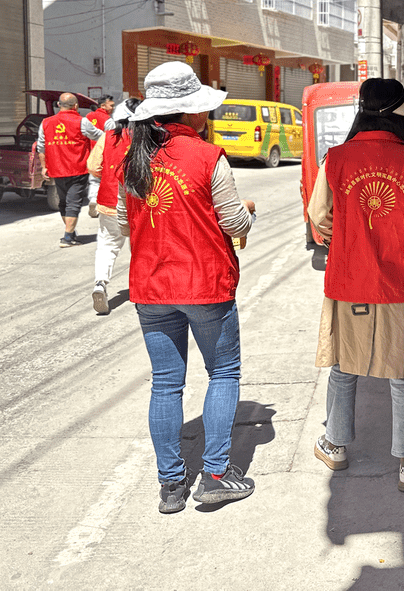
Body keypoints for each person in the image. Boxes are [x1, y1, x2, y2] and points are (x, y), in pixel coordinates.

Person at [118, 61, 256, 514]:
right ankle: (216, 473)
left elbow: (124, 224)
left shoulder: (132, 159)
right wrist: (250, 216)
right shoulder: (208, 156)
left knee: (166, 384)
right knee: (223, 373)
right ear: (193, 113)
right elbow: (234, 222)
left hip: (151, 288)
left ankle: (171, 485)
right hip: (205, 286)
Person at [307, 78, 404, 494]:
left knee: (345, 366)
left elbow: (318, 214)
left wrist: (344, 235)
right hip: (402, 281)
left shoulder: (337, 158)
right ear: (395, 118)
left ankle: (336, 445)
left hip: (349, 280)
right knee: (401, 372)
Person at [86, 98, 138, 314]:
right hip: (140, 204)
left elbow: (93, 166)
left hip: (109, 201)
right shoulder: (147, 138)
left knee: (107, 245)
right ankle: (140, 288)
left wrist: (109, 174)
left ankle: (100, 283)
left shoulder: (108, 137)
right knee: (139, 246)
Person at [38, 93, 103, 247]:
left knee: (63, 203)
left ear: (59, 105)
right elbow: (101, 136)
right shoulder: (82, 122)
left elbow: (41, 147)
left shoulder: (46, 123)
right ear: (76, 106)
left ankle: (70, 233)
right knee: (73, 203)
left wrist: (43, 167)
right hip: (77, 169)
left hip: (56, 169)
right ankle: (67, 237)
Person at [86, 95, 116, 218]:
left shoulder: (87, 117)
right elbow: (112, 139)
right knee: (105, 179)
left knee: (93, 180)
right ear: (103, 105)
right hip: (104, 154)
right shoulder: (108, 120)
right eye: (111, 105)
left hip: (91, 154)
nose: (113, 108)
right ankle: (103, 204)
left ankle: (93, 199)